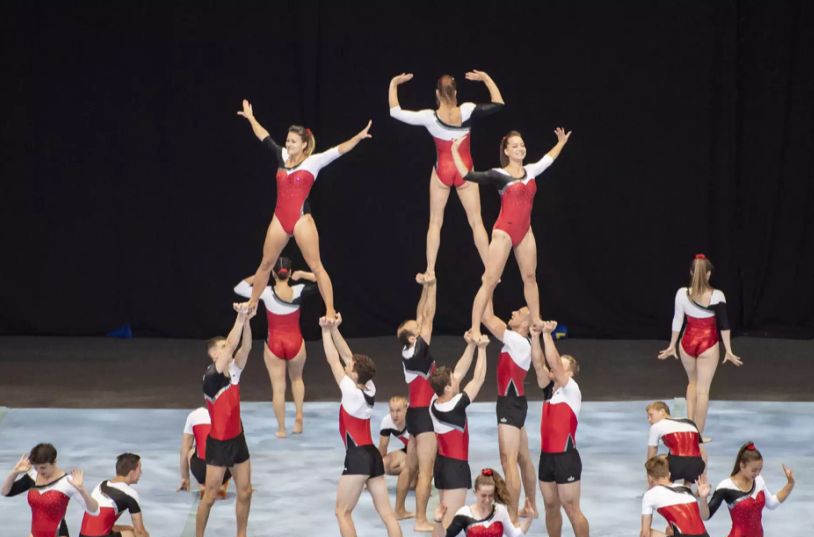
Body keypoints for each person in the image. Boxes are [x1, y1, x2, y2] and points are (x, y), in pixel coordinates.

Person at [237, 99, 372, 321]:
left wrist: (358, 137)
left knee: (317, 266)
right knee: (265, 263)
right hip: (279, 218)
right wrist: (251, 118)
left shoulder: (313, 162)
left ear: (303, 145)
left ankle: (330, 309)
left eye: (292, 141)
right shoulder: (281, 155)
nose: (288, 144)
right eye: (287, 140)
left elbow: (339, 150)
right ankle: (252, 303)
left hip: (301, 219)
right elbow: (264, 136)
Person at [453, 128, 571, 340]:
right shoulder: (499, 174)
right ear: (506, 151)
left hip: (525, 231)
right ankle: (475, 328)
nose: (520, 148)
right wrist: (454, 150)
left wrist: (561, 142)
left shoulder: (532, 170)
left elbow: (549, 158)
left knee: (530, 277)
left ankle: (536, 320)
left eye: (522, 145)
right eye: (515, 146)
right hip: (504, 232)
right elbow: (467, 175)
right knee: (490, 280)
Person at [321, 314, 410, 537]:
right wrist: (336, 328)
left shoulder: (350, 389)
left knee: (342, 512)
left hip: (358, 457)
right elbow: (349, 357)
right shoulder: (368, 386)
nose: (347, 368)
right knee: (387, 514)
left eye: (351, 369)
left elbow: (333, 360)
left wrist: (325, 332)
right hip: (372, 455)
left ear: (355, 375)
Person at [389, 71, 504, 276]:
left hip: (443, 170)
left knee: (435, 221)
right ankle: (490, 270)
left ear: (436, 93)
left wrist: (393, 84)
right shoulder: (467, 110)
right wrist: (486, 79)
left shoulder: (429, 117)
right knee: (476, 222)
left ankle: (430, 270)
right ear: (456, 93)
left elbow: (395, 112)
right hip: (466, 171)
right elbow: (498, 104)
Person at [193, 303, 264, 537]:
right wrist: (239, 315)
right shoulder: (213, 376)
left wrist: (247, 322)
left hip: (238, 438)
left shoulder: (233, 371)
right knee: (210, 496)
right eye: (222, 348)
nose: (228, 349)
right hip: (219, 444)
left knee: (245, 491)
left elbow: (246, 347)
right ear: (214, 355)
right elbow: (234, 344)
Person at [530, 321, 593, 537]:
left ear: (570, 373)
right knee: (550, 504)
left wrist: (548, 335)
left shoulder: (572, 390)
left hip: (566, 457)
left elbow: (553, 362)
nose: (553, 369)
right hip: (547, 457)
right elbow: (538, 363)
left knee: (571, 507)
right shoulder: (549, 390)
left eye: (561, 367)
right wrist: (535, 337)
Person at [658, 253, 742, 437]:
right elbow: (724, 325)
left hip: (687, 342)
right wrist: (728, 349)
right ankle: (698, 434)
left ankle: (689, 430)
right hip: (708, 342)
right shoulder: (717, 295)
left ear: (690, 272)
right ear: (709, 274)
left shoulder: (681, 293)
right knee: (703, 391)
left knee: (692, 384)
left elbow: (677, 321)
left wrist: (672, 345)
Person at [428, 332, 489, 537]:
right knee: (449, 520)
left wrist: (470, 346)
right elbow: (478, 379)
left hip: (443, 465)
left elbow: (460, 372)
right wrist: (483, 349)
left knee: (442, 515)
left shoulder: (436, 400)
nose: (456, 381)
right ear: (448, 388)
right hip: (454, 468)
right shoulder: (454, 406)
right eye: (452, 381)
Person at [699, 442, 795, 537]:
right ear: (742, 465)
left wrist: (790, 485)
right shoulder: (726, 486)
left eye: (760, 469)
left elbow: (771, 503)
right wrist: (703, 498)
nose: (757, 473)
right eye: (754, 470)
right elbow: (706, 516)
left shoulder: (759, 480)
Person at [235, 256, 317, 436]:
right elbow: (321, 280)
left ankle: (281, 429)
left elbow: (239, 288)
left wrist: (260, 275)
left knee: (278, 388)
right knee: (297, 379)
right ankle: (299, 417)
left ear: (273, 274)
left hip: (274, 344)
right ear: (289, 273)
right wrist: (303, 274)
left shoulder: (265, 291)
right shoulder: (299, 290)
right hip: (295, 341)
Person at [482, 301, 537, 522]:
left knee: (509, 460)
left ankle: (512, 517)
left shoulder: (517, 340)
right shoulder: (521, 342)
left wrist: (489, 283)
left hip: (509, 404)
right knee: (524, 459)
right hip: (516, 402)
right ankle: (530, 507)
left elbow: (487, 318)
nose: (513, 311)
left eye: (520, 312)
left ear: (526, 323)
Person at [396, 272, 438, 531]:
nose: (420, 327)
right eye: (417, 329)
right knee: (426, 471)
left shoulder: (408, 348)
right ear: (413, 338)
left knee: (409, 466)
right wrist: (433, 287)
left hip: (415, 413)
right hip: (424, 416)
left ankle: (399, 509)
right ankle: (421, 519)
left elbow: (420, 316)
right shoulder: (418, 351)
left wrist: (423, 288)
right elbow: (429, 317)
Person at [80, 453, 155, 537]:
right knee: (143, 536)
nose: (141, 472)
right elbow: (140, 531)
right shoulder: (130, 494)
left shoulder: (102, 484)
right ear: (132, 473)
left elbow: (107, 520)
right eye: (139, 469)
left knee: (130, 529)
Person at [637, 456, 711, 537]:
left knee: (646, 534)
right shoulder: (686, 489)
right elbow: (700, 518)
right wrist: (703, 498)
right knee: (670, 530)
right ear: (669, 474)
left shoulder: (650, 495)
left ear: (650, 478)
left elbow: (645, 534)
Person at [645, 401, 706, 485]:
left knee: (661, 458)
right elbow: (703, 454)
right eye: (647, 417)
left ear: (662, 412)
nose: (649, 420)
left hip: (676, 466)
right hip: (696, 466)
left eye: (651, 415)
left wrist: (650, 480)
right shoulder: (690, 422)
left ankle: (667, 485)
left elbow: (651, 456)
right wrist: (702, 481)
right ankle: (687, 487)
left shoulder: (656, 426)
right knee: (691, 457)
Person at [178, 405, 232, 498]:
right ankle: (222, 485)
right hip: (224, 470)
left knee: (191, 450)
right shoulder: (228, 413)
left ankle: (203, 484)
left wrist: (185, 479)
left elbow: (184, 450)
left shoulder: (194, 415)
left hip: (201, 470)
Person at [377, 396, 415, 520]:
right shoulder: (387, 421)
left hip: (426, 454)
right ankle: (410, 475)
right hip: (409, 451)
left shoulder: (415, 421)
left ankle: (414, 476)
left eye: (398, 410)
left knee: (410, 475)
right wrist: (374, 477)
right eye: (392, 410)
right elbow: (382, 448)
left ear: (406, 409)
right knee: (383, 464)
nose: (394, 415)